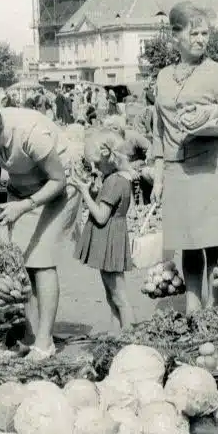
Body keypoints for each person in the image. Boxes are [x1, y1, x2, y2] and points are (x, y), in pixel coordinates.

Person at [0, 103, 80, 360]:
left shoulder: (30, 133)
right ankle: (32, 335)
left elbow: (58, 180)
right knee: (24, 265)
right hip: (21, 191)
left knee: (43, 260)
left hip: (57, 189)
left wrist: (24, 206)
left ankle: (45, 342)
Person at [151, 1, 218, 313]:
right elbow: (158, 130)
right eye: (194, 34)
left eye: (205, 33)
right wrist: (158, 175)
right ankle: (193, 310)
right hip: (177, 169)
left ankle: (213, 308)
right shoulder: (163, 77)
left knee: (213, 242)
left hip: (210, 167)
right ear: (175, 37)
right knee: (188, 242)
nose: (201, 40)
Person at [70, 130, 136, 330]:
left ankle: (130, 335)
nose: (95, 168)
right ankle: (115, 333)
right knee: (112, 295)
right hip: (111, 237)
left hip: (109, 239)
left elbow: (100, 216)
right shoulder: (121, 179)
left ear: (110, 159)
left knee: (119, 295)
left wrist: (83, 192)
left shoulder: (114, 181)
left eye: (98, 164)